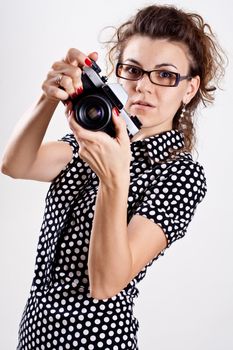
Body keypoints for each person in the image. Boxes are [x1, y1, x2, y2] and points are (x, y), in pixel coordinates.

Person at [0, 4, 226, 350]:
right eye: (132, 70)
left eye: (165, 75)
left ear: (190, 88)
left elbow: (106, 283)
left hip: (97, 343)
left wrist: (114, 180)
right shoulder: (91, 139)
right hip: (34, 337)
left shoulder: (181, 174)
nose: (143, 87)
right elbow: (16, 165)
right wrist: (48, 98)